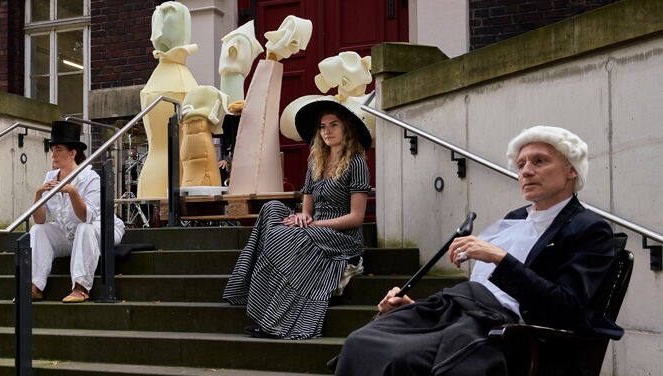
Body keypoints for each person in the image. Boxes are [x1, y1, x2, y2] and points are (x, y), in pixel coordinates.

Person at [330, 126, 622, 375]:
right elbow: (481, 290)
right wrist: (414, 306)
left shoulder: (589, 229)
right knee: (360, 341)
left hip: (513, 332)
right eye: (521, 165)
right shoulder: (515, 218)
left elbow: (565, 307)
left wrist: (499, 258)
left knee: (402, 358)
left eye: (540, 161)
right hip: (463, 313)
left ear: (571, 169)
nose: (527, 171)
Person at [222, 98, 372, 339]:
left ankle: (277, 320)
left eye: (334, 125)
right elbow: (307, 210)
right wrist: (303, 217)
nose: (327, 131)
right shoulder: (316, 161)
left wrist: (312, 224)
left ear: (347, 128)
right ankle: (255, 294)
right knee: (271, 210)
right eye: (323, 126)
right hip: (315, 227)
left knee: (287, 236)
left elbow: (356, 217)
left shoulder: (357, 162)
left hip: (343, 236)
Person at [30, 121, 126, 303]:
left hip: (102, 229)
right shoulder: (50, 177)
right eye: (52, 150)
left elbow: (86, 217)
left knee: (84, 227)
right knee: (37, 231)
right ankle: (34, 286)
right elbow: (40, 221)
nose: (53, 155)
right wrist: (38, 194)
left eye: (58, 149)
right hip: (69, 233)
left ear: (72, 153)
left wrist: (72, 191)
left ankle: (80, 287)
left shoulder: (90, 178)